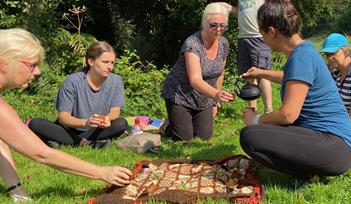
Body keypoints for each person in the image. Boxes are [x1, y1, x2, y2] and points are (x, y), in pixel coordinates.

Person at [0, 28, 132, 201]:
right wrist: (102, 172)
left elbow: (1, 145)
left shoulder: (115, 81)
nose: (38, 72)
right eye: (32, 65)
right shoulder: (73, 81)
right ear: (3, 63)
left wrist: (17, 193)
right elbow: (42, 153)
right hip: (72, 129)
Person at [240, 0, 351, 181]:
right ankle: (310, 171)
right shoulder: (304, 51)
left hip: (334, 145)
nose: (262, 39)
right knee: (266, 129)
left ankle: (307, 175)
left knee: (250, 136)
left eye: (262, 33)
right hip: (332, 144)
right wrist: (260, 72)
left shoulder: (301, 56)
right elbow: (290, 78)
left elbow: (288, 115)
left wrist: (255, 119)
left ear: (272, 31)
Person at [28, 41, 128, 148]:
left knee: (121, 123)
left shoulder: (116, 81)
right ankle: (88, 143)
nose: (110, 67)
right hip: (69, 129)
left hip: (96, 129)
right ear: (91, 61)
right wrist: (86, 122)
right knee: (36, 123)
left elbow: (115, 111)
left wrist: (107, 118)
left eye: (112, 63)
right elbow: (64, 117)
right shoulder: (72, 81)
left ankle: (65, 141)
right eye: (105, 62)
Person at [161, 2, 234, 142]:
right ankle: (167, 125)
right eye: (213, 25)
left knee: (203, 138)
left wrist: (215, 101)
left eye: (222, 25)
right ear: (204, 23)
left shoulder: (224, 43)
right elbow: (195, 80)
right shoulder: (192, 44)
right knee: (185, 139)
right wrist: (216, 94)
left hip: (204, 98)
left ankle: (181, 122)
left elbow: (220, 72)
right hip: (180, 95)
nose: (218, 29)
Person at [222, 0, 273, 113]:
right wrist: (230, 8)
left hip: (259, 38)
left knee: (263, 74)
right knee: (249, 75)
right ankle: (252, 110)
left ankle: (268, 111)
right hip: (243, 38)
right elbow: (240, 13)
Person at [320, 33, 351, 118]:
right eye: (327, 54)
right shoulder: (335, 72)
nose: (329, 58)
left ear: (345, 50)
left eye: (333, 53)